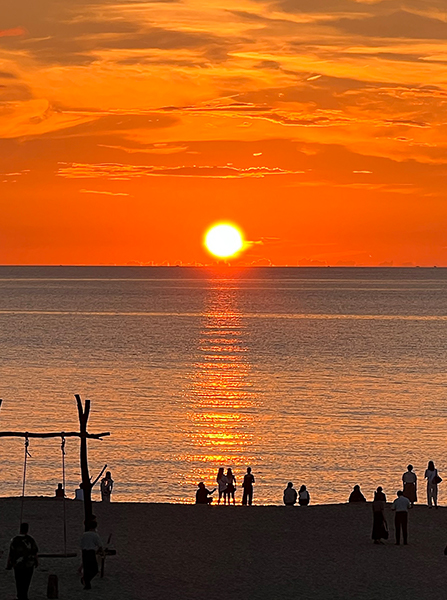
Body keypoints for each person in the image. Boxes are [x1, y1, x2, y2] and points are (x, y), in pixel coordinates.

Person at [7, 522, 39, 600]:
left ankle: (20, 595)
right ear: (27, 530)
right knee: (26, 581)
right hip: (29, 564)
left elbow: (11, 553)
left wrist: (9, 564)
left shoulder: (15, 540)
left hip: (18, 565)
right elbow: (35, 552)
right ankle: (24, 595)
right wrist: (36, 561)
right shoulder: (30, 539)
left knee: (19, 581)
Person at [81, 520, 103, 590]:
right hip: (91, 552)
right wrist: (101, 551)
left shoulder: (84, 534)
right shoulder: (95, 535)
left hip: (84, 552)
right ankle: (86, 579)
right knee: (95, 569)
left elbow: (81, 544)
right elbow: (99, 545)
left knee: (86, 568)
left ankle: (87, 585)